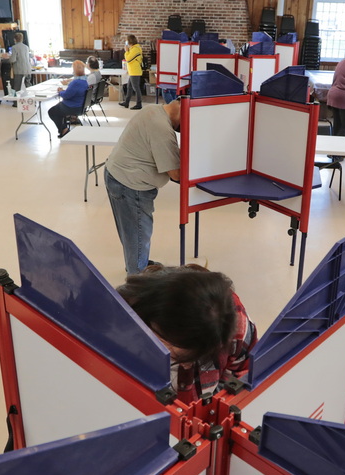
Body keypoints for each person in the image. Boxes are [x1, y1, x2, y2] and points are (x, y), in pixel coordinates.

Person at [117, 264, 257, 404]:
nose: (186, 366)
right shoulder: (124, 315)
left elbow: (245, 373)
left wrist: (216, 404)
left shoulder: (233, 321)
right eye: (172, 353)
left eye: (193, 358)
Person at [105, 98, 181, 274]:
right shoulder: (162, 128)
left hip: (116, 174)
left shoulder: (153, 109)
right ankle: (138, 279)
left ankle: (137, 261)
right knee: (139, 234)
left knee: (130, 232)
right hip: (131, 185)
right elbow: (175, 174)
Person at [47, 60, 89, 138]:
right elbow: (71, 93)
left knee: (52, 111)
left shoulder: (76, 82)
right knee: (58, 109)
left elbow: (66, 95)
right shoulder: (85, 80)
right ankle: (64, 128)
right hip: (80, 106)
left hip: (72, 107)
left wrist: (60, 92)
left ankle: (64, 129)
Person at [5, 33, 32, 108]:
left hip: (19, 70)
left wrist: (8, 58)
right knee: (28, 85)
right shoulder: (26, 47)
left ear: (14, 39)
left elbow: (13, 59)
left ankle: (16, 103)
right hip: (27, 69)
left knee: (17, 87)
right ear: (22, 39)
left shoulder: (14, 47)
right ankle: (30, 101)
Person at [119, 35, 143, 110]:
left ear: (130, 41)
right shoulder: (133, 48)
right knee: (129, 87)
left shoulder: (135, 49)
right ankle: (126, 102)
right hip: (132, 71)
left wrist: (126, 51)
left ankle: (139, 104)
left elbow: (128, 59)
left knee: (136, 88)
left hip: (135, 72)